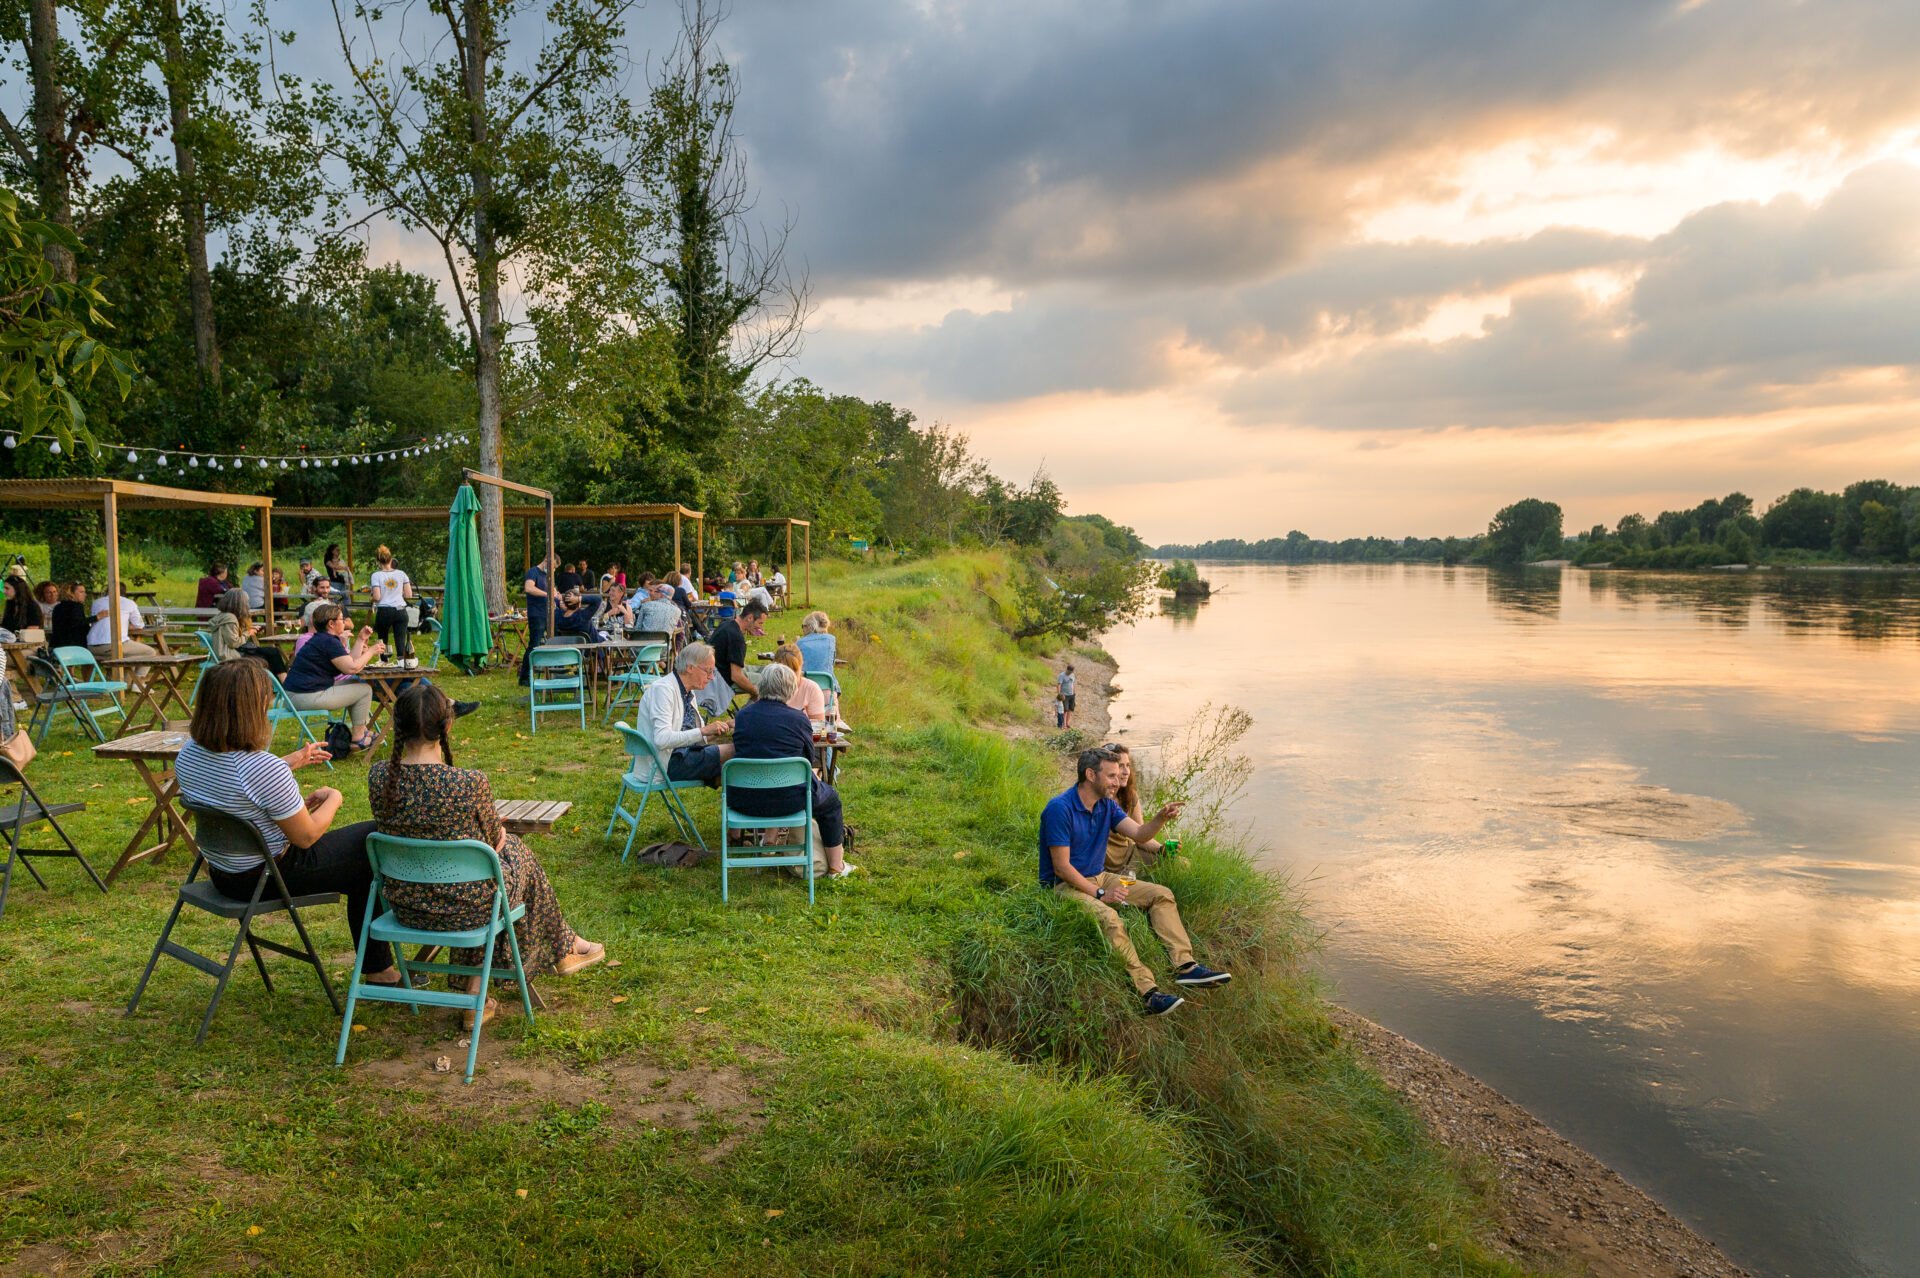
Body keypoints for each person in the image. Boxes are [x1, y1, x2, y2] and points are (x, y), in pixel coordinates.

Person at [370, 684, 603, 1024]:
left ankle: (492, 984)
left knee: (489, 876)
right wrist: (493, 830)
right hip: (467, 907)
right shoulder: (469, 782)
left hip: (406, 905)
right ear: (447, 727)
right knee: (507, 863)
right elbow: (495, 843)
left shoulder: (379, 776)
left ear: (398, 725)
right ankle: (557, 950)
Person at [174, 660, 401, 989]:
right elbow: (306, 836)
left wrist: (288, 763)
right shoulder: (262, 769)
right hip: (265, 876)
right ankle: (381, 967)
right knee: (372, 840)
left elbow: (234, 786)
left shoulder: (190, 754)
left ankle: (379, 967)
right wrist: (334, 798)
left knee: (362, 862)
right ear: (251, 709)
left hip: (223, 871)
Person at [1040, 747, 1228, 1016]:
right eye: (1112, 775)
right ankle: (1148, 993)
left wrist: (1160, 819)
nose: (1118, 781)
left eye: (1119, 775)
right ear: (1090, 774)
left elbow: (1139, 834)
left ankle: (1186, 966)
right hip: (1065, 886)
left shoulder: (1106, 805)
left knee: (1160, 894)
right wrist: (1099, 892)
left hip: (1103, 876)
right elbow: (1061, 867)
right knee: (1110, 919)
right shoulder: (1060, 809)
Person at [733, 663, 855, 878]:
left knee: (777, 782)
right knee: (831, 800)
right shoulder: (799, 719)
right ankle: (836, 867)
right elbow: (808, 760)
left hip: (746, 799)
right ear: (791, 689)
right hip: (790, 799)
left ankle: (768, 842)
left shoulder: (743, 716)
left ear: (762, 686)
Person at [283, 604, 383, 751]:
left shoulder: (323, 639)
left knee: (356, 682)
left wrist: (361, 639)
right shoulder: (328, 641)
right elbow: (353, 667)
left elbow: (349, 663)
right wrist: (372, 651)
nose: (345, 622)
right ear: (331, 623)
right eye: (342, 619)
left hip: (297, 694)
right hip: (304, 696)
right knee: (364, 689)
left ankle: (361, 731)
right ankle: (358, 737)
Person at [635, 641, 735, 786]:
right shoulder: (663, 690)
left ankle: (741, 800)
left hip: (680, 756)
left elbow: (695, 737)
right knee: (736, 751)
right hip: (663, 765)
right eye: (708, 671)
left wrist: (725, 726)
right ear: (690, 668)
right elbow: (662, 739)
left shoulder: (687, 692)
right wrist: (704, 730)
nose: (712, 677)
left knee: (733, 767)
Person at [1103, 743, 1168, 876]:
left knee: (1180, 863)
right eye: (1121, 766)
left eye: (1128, 765)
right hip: (1109, 867)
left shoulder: (1130, 796)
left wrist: (1162, 850)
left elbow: (1140, 835)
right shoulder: (1096, 799)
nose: (1126, 772)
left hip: (1130, 854)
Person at [702, 598, 765, 716]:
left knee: (767, 670)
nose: (760, 628)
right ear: (750, 618)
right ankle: (742, 715)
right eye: (760, 623)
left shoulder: (726, 625)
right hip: (722, 681)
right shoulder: (737, 638)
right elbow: (736, 676)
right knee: (769, 682)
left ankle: (742, 712)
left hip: (715, 673)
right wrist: (755, 693)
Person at [208, 588, 287, 676]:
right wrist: (248, 633)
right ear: (240, 604)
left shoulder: (224, 616)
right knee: (272, 655)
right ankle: (283, 685)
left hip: (235, 651)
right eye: (246, 602)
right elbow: (233, 643)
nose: (248, 605)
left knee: (272, 652)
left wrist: (248, 630)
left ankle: (278, 685)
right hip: (231, 655)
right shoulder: (229, 618)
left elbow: (231, 636)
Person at [87, 580, 155, 679]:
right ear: (125, 592)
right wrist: (126, 625)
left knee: (129, 654)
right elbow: (139, 625)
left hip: (92, 647)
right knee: (150, 652)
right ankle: (139, 682)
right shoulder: (129, 603)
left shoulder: (97, 602)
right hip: (111, 646)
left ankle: (119, 681)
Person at [367, 545, 415, 669]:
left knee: (383, 638)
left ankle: (384, 661)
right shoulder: (402, 574)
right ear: (391, 559)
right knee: (400, 637)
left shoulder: (376, 575)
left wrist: (371, 597)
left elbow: (377, 597)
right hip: (400, 610)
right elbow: (409, 595)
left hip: (384, 610)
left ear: (378, 561)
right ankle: (401, 661)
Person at [518, 552, 554, 686]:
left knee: (552, 641)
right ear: (546, 561)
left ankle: (552, 671)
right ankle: (525, 676)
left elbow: (551, 592)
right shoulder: (533, 572)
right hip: (536, 614)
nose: (553, 570)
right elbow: (529, 588)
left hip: (547, 613)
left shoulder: (546, 575)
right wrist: (548, 594)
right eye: (553, 566)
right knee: (534, 645)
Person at [771, 644, 826, 723]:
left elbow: (818, 728)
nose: (790, 677)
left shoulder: (812, 689)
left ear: (801, 666)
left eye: (794, 671)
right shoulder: (768, 687)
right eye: (784, 672)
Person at [49, 581, 89, 651]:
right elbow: (78, 623)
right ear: (71, 593)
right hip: (74, 648)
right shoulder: (76, 606)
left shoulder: (57, 607)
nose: (85, 594)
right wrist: (96, 617)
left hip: (57, 646)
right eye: (81, 592)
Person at [1057, 663, 1076, 730]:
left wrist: (1074, 692)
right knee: (1065, 710)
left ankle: (1067, 723)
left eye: (1071, 672)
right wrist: (1059, 694)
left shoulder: (1073, 675)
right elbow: (1059, 685)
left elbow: (1073, 684)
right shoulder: (1062, 675)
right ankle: (1064, 724)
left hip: (1071, 695)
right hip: (1064, 695)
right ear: (1067, 669)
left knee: (1070, 710)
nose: (1070, 673)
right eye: (1069, 671)